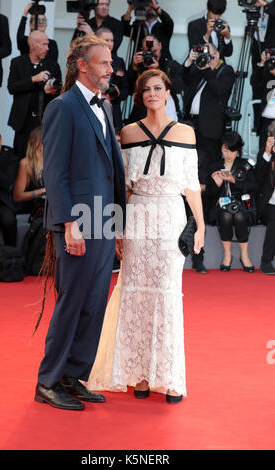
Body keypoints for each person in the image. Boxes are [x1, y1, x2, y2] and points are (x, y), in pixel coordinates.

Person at [87, 69, 205, 404]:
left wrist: (201, 224)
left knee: (167, 296)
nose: (152, 94)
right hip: (137, 218)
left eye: (157, 88)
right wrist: (117, 229)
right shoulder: (127, 132)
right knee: (135, 295)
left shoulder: (186, 133)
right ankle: (139, 374)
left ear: (168, 92)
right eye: (146, 89)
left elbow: (191, 185)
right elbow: (121, 187)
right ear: (139, 96)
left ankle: (169, 377)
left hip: (170, 219)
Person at [34, 34, 126, 411]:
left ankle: (73, 375)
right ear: (82, 66)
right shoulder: (63, 107)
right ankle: (48, 381)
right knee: (72, 300)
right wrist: (69, 223)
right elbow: (54, 173)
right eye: (104, 63)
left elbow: (112, 171)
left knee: (94, 302)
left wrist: (119, 225)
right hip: (79, 220)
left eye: (110, 63)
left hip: (105, 220)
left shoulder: (104, 109)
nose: (110, 69)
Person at [206, 131, 257, 272]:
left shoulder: (245, 165)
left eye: (232, 150)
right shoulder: (214, 166)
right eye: (225, 149)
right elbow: (209, 194)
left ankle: (244, 255)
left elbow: (253, 187)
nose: (228, 153)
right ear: (221, 149)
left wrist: (233, 180)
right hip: (220, 206)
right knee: (226, 215)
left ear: (238, 151)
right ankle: (227, 255)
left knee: (240, 215)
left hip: (242, 205)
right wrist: (216, 184)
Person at [7, 30, 62, 159]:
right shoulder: (17, 63)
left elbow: (60, 89)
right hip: (23, 121)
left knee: (44, 159)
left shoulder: (53, 65)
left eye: (48, 44)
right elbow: (12, 87)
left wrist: (53, 91)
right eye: (44, 44)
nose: (47, 48)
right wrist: (33, 79)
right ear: (33, 45)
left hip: (45, 121)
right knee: (21, 158)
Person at [183, 42, 235, 169]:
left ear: (217, 55)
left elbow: (220, 91)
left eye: (209, 56)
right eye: (203, 56)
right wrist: (189, 61)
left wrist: (206, 69)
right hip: (192, 123)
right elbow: (185, 80)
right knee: (190, 161)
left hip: (209, 127)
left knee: (210, 163)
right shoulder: (199, 69)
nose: (206, 60)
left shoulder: (226, 71)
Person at [127, 35, 183, 124]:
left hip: (167, 114)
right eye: (147, 52)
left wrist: (159, 69)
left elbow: (178, 88)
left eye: (154, 51)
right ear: (141, 49)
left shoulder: (170, 65)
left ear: (160, 46)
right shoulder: (139, 65)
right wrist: (133, 68)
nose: (151, 55)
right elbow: (129, 90)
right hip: (142, 116)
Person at [96, 27, 129, 130]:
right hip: (93, 109)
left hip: (114, 114)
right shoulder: (90, 60)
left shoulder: (119, 61)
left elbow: (126, 89)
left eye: (112, 40)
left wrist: (116, 94)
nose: (110, 44)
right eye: (106, 40)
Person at [251, 1, 275, 132]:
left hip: (272, 47)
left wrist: (265, 5)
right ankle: (258, 124)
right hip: (257, 44)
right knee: (257, 83)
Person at [255, 121, 275, 274]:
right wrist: (268, 153)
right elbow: (258, 178)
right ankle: (266, 261)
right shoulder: (266, 155)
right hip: (269, 205)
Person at [13, 126, 45, 214]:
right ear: (36, 143)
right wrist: (42, 191)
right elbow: (17, 196)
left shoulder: (54, 160)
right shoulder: (26, 163)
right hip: (35, 209)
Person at [250, 49, 275, 150]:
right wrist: (262, 63)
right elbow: (254, 82)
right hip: (266, 122)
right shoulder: (269, 78)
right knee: (263, 155)